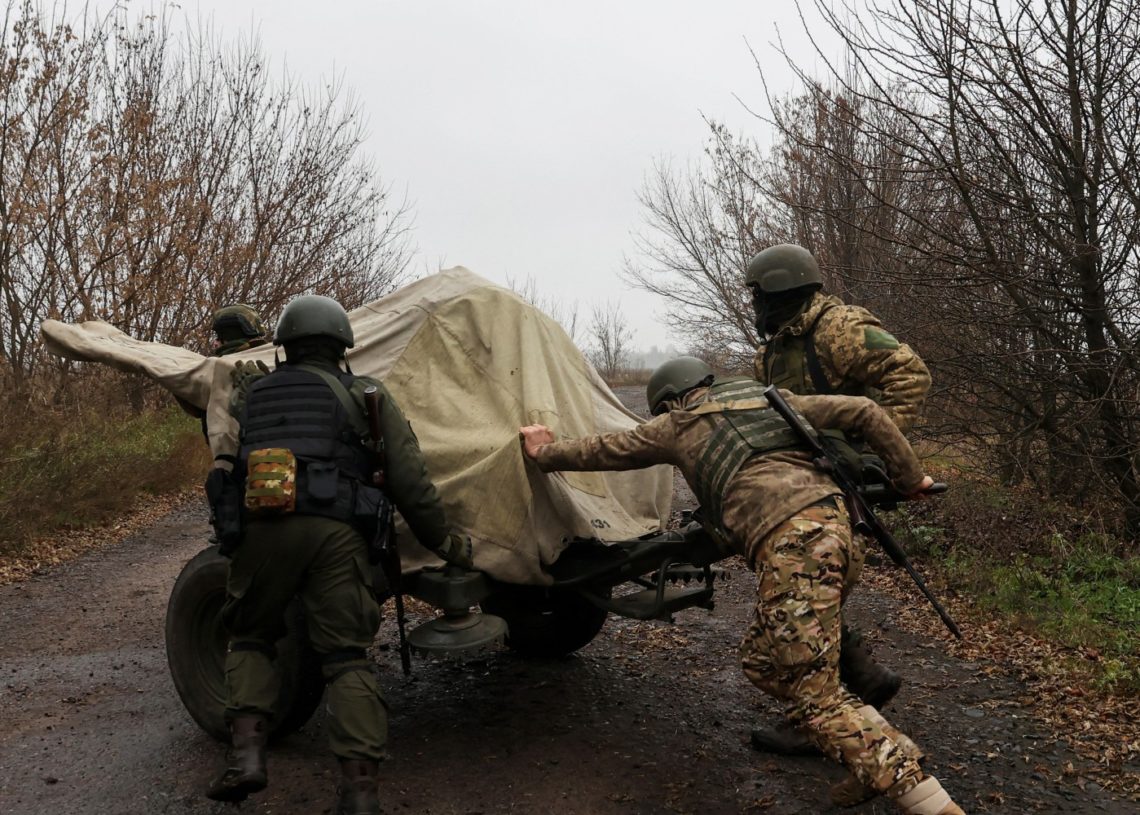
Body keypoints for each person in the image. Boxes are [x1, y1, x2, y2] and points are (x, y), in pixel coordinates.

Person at [518, 357, 964, 815]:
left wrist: (542, 452)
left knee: (816, 701)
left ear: (671, 400)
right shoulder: (771, 400)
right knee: (761, 661)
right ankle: (866, 756)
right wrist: (913, 479)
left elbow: (605, 450)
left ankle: (925, 797)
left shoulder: (677, 425)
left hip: (796, 551)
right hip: (840, 539)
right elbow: (866, 412)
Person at [205, 294, 472, 815]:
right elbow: (411, 482)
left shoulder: (252, 395)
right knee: (346, 658)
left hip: (262, 529)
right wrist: (445, 543)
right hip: (335, 534)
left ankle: (248, 760)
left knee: (252, 636)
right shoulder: (364, 394)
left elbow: (223, 466)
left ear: (284, 346)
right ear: (342, 346)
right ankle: (359, 793)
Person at [746, 243, 931, 756]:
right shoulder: (772, 350)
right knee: (800, 581)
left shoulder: (838, 328)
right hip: (800, 479)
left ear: (780, 289)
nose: (755, 306)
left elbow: (910, 375)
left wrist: (876, 453)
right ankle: (861, 677)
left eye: (758, 295)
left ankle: (824, 716)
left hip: (841, 477)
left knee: (802, 585)